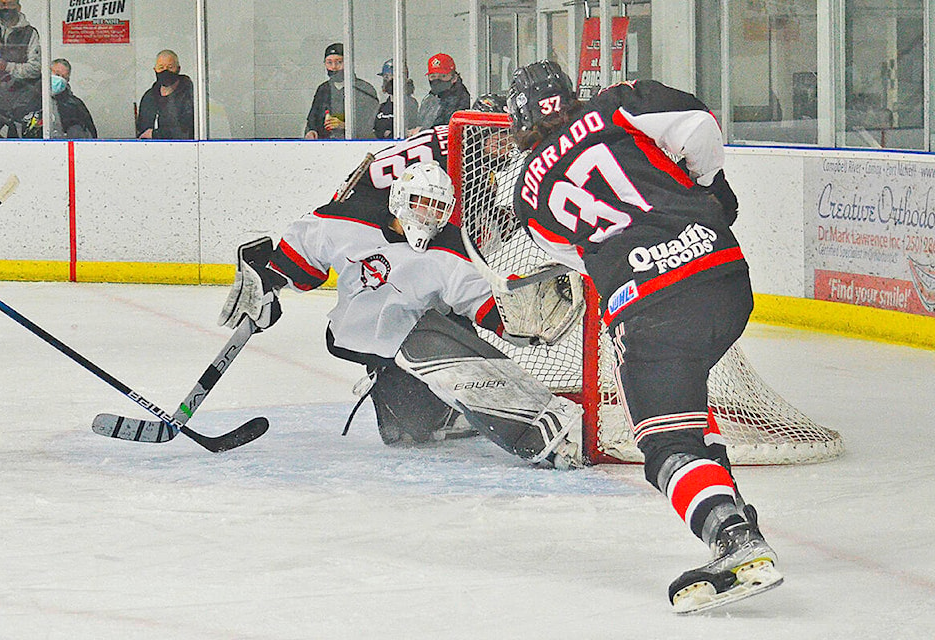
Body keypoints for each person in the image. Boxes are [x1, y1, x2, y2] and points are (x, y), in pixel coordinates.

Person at [506, 61, 781, 613]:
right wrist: (704, 188)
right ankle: (731, 508)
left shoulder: (526, 195)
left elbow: (574, 254)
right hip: (724, 279)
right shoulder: (618, 101)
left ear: (518, 121)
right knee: (687, 404)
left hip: (652, 307)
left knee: (665, 445)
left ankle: (731, 537)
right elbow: (699, 128)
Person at [215, 149, 583, 469]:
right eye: (421, 203)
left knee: (416, 397)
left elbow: (484, 306)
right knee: (410, 415)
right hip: (363, 336)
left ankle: (534, 427)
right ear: (400, 200)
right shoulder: (346, 219)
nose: (428, 216)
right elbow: (299, 256)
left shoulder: (451, 248)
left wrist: (525, 320)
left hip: (421, 336)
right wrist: (268, 280)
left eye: (438, 207)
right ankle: (473, 415)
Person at [304, 42, 379, 140]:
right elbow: (312, 120)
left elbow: (372, 126)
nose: (334, 67)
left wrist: (345, 126)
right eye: (329, 62)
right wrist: (311, 131)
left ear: (349, 63)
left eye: (339, 62)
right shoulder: (323, 89)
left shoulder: (364, 89)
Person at [0, 0, 42, 138]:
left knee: (16, 134)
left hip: (24, 93)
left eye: (10, 4)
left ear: (19, 7)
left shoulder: (30, 32)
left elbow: (35, 68)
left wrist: (8, 66)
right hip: (0, 94)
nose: (6, 7)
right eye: (2, 4)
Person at [136, 50, 194, 140]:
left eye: (170, 67)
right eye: (161, 67)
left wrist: (155, 134)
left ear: (178, 69)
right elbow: (142, 129)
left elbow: (186, 130)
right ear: (155, 70)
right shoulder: (149, 97)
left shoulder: (189, 95)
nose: (165, 71)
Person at [410, 53, 470, 134]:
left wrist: (422, 131)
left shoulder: (460, 98)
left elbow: (446, 127)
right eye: (433, 77)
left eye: (443, 76)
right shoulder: (430, 98)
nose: (437, 80)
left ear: (454, 78)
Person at [49, 58, 97, 139]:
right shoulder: (30, 98)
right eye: (57, 75)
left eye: (64, 77)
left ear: (67, 80)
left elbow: (89, 136)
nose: (59, 79)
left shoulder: (75, 105)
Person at [372, 59, 418, 139]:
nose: (386, 80)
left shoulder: (410, 104)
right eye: (385, 77)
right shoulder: (383, 106)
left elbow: (408, 130)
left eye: (390, 76)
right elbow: (376, 130)